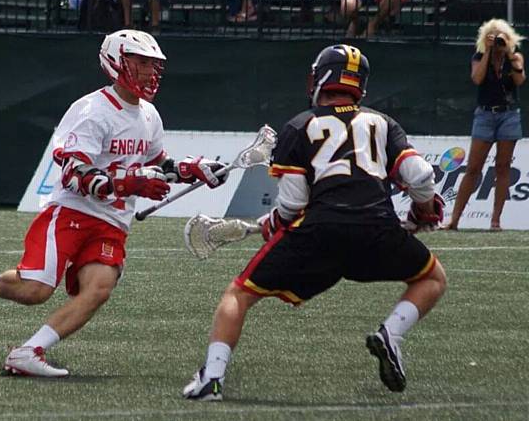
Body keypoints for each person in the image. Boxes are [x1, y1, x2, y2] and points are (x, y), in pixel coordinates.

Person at [0, 29, 227, 377]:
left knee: (99, 288)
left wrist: (194, 169)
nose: (150, 73)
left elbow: (159, 162)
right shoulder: (92, 110)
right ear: (117, 63)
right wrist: (129, 181)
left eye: (154, 66)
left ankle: (29, 352)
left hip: (114, 222)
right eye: (141, 63)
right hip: (72, 213)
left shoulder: (150, 116)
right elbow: (74, 173)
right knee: (35, 291)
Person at [183, 44, 448, 400]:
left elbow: (293, 207)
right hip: (377, 229)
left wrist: (274, 224)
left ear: (320, 78)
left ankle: (211, 379)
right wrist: (422, 211)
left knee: (240, 294)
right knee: (432, 278)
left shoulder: (299, 125)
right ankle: (391, 334)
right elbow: (419, 175)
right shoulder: (383, 123)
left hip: (319, 233)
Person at [445, 18, 525, 231]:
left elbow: (520, 80)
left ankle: (495, 220)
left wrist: (507, 54)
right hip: (485, 115)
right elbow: (477, 78)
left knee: (503, 167)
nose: (498, 41)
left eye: (501, 37)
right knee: (473, 167)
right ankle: (454, 219)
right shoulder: (479, 57)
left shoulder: (514, 57)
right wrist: (489, 52)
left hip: (508, 115)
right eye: (494, 36)